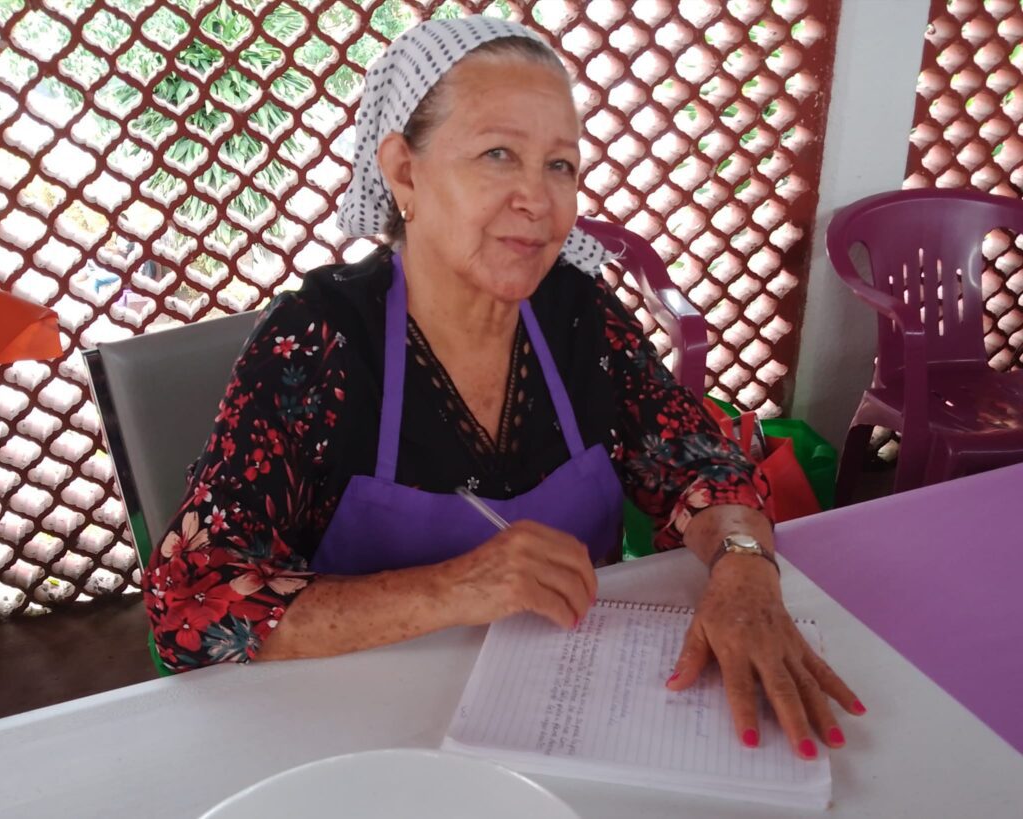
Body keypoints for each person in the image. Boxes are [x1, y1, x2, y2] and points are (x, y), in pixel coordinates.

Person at [143, 15, 864, 761]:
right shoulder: (320, 342)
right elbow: (190, 600)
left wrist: (744, 564)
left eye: (561, 165)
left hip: (573, 715)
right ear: (404, 171)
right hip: (365, 742)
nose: (537, 198)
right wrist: (455, 586)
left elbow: (696, 460)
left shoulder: (578, 315)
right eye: (498, 154)